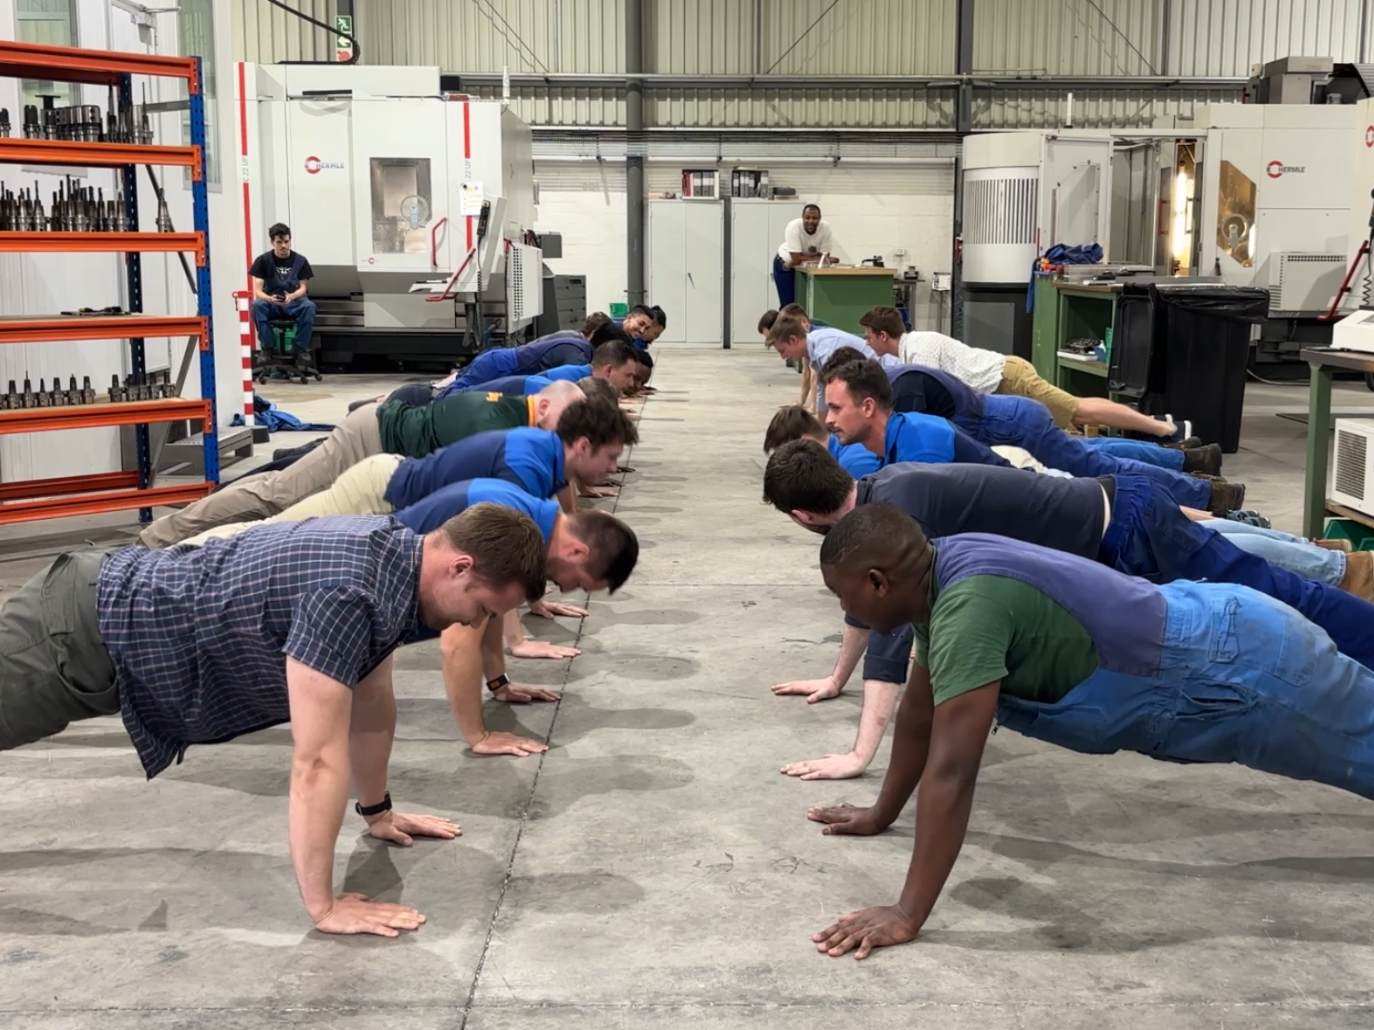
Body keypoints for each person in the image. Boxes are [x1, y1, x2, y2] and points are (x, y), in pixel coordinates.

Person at [805, 504, 1374, 959]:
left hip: (1247, 669)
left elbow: (952, 772)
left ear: (878, 582)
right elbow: (919, 712)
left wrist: (907, 914)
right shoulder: (939, 572)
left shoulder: (967, 609)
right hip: (1225, 634)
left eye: (842, 595)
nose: (845, 608)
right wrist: (880, 813)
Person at [0, 504, 548, 937]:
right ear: (460, 567)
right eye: (484, 608)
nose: (476, 623)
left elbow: (373, 699)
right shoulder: (347, 594)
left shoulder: (392, 561)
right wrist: (324, 906)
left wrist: (377, 811)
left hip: (107, 623)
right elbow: (316, 761)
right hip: (74, 634)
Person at [761, 440, 1374, 779]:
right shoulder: (883, 504)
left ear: (803, 517)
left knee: (1280, 594)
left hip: (1126, 527)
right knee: (1259, 580)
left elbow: (894, 644)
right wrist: (837, 677)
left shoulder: (899, 517)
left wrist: (860, 754)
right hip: (1114, 526)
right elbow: (873, 615)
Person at [183, 478, 639, 759]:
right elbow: (459, 642)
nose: (568, 589)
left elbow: (488, 612)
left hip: (352, 544)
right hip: (342, 525)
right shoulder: (518, 527)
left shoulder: (528, 530)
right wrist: (478, 736)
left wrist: (499, 682)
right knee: (216, 537)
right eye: (581, 580)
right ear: (577, 550)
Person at [138, 381, 586, 548]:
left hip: (381, 439)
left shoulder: (516, 414)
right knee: (277, 496)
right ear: (545, 405)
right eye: (567, 422)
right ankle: (161, 537)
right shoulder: (499, 425)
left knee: (282, 492)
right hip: (370, 438)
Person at [822, 356, 1240, 515]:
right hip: (1013, 423)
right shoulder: (898, 384)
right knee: (1093, 456)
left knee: (1097, 465)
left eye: (837, 406)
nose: (829, 418)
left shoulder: (908, 401)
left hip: (1017, 425)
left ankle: (1205, 492)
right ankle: (1190, 464)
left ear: (868, 401)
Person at [182, 398, 638, 540]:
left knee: (278, 513)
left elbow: (557, 511)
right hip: (377, 477)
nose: (614, 468)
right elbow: (496, 551)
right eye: (611, 457)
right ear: (582, 445)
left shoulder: (546, 452)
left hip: (391, 473)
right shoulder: (525, 463)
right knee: (270, 522)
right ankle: (166, 550)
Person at [859, 306, 1192, 443]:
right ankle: (1156, 423)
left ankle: (1164, 427)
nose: (866, 342)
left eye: (869, 336)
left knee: (1078, 410)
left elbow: (935, 398)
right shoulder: (908, 352)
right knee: (1073, 414)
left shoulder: (920, 349)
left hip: (1008, 379)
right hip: (1001, 383)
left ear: (883, 336)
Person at [443, 322, 633, 396]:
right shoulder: (578, 355)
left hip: (500, 365)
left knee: (458, 394)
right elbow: (558, 387)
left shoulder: (581, 350)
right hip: (498, 366)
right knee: (451, 397)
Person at [765, 313, 897, 414]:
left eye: (782, 351)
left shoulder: (824, 350)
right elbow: (823, 392)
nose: (783, 357)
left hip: (891, 377)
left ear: (793, 340)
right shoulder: (813, 348)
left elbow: (842, 394)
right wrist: (821, 433)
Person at [249, 222, 315, 356]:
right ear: (272, 243)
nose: (283, 245)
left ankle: (300, 349)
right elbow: (258, 291)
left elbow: (303, 288)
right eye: (279, 242)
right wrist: (269, 298)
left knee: (309, 306)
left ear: (290, 240)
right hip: (272, 303)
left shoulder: (301, 261)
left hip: (294, 303)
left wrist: (292, 296)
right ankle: (267, 349)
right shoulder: (263, 261)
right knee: (257, 305)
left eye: (286, 241)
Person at [764, 404, 879, 478]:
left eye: (786, 459)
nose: (787, 468)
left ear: (806, 443)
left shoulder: (854, 464)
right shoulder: (833, 459)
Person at [773, 204, 838, 307]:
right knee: (789, 305)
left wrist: (798, 260)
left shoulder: (825, 228)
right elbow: (796, 258)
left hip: (806, 267)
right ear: (802, 218)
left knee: (806, 305)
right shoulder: (793, 227)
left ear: (819, 219)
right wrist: (797, 260)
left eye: (814, 218)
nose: (810, 221)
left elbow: (823, 259)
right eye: (807, 218)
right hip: (785, 264)